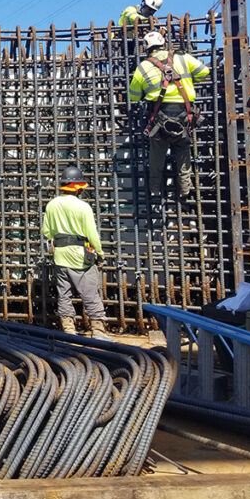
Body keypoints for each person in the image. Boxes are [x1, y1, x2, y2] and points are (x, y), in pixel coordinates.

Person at [128, 30, 210, 204]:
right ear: (163, 43)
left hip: (159, 115)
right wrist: (188, 82)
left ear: (147, 48)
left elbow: (133, 96)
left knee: (157, 152)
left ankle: (154, 188)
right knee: (183, 148)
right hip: (184, 114)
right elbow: (204, 72)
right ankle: (185, 188)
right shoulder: (183, 58)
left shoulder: (143, 66)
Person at [41, 166, 112, 341]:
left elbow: (47, 232)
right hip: (81, 258)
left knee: (64, 294)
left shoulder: (51, 205)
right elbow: (92, 235)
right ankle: (98, 331)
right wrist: (100, 254)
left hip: (60, 256)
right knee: (90, 294)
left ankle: (68, 330)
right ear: (77, 187)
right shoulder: (83, 207)